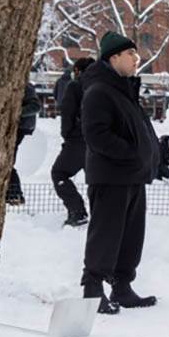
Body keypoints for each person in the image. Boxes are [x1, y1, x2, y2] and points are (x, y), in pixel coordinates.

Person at [79, 31, 160, 314]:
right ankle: (92, 290)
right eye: (131, 54)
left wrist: (149, 157)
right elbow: (96, 134)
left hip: (132, 176)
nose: (137, 59)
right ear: (113, 58)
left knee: (130, 236)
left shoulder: (124, 90)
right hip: (111, 176)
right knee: (106, 234)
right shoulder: (99, 90)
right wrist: (132, 154)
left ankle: (122, 287)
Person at [52, 57, 95, 226]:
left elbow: (67, 113)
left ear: (78, 71)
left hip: (78, 140)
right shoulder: (105, 86)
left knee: (59, 173)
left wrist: (68, 135)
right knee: (96, 180)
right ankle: (103, 215)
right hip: (101, 142)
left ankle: (77, 212)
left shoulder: (75, 86)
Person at [6, 82, 41, 205]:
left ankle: (15, 194)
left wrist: (16, 112)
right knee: (8, 162)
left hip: (21, 127)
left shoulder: (25, 86)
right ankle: (13, 194)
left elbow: (36, 106)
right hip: (19, 127)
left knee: (8, 162)